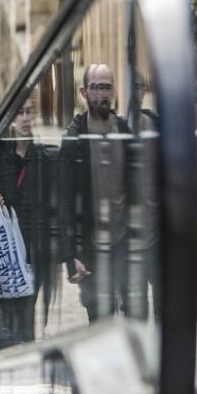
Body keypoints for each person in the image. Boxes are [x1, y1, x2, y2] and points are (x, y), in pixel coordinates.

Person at [0, 92, 60, 348]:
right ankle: (3, 374)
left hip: (34, 255)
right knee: (5, 323)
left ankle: (24, 378)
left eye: (30, 112)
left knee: (26, 323)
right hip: (2, 255)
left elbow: (55, 209)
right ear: (9, 118)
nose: (26, 118)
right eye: (20, 112)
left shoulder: (43, 157)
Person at [59, 63, 131, 322]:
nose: (101, 94)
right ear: (83, 92)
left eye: (106, 87)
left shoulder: (126, 133)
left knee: (134, 319)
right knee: (100, 323)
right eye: (95, 87)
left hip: (124, 242)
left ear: (114, 91)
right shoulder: (74, 141)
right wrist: (70, 256)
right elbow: (64, 200)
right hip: (91, 248)